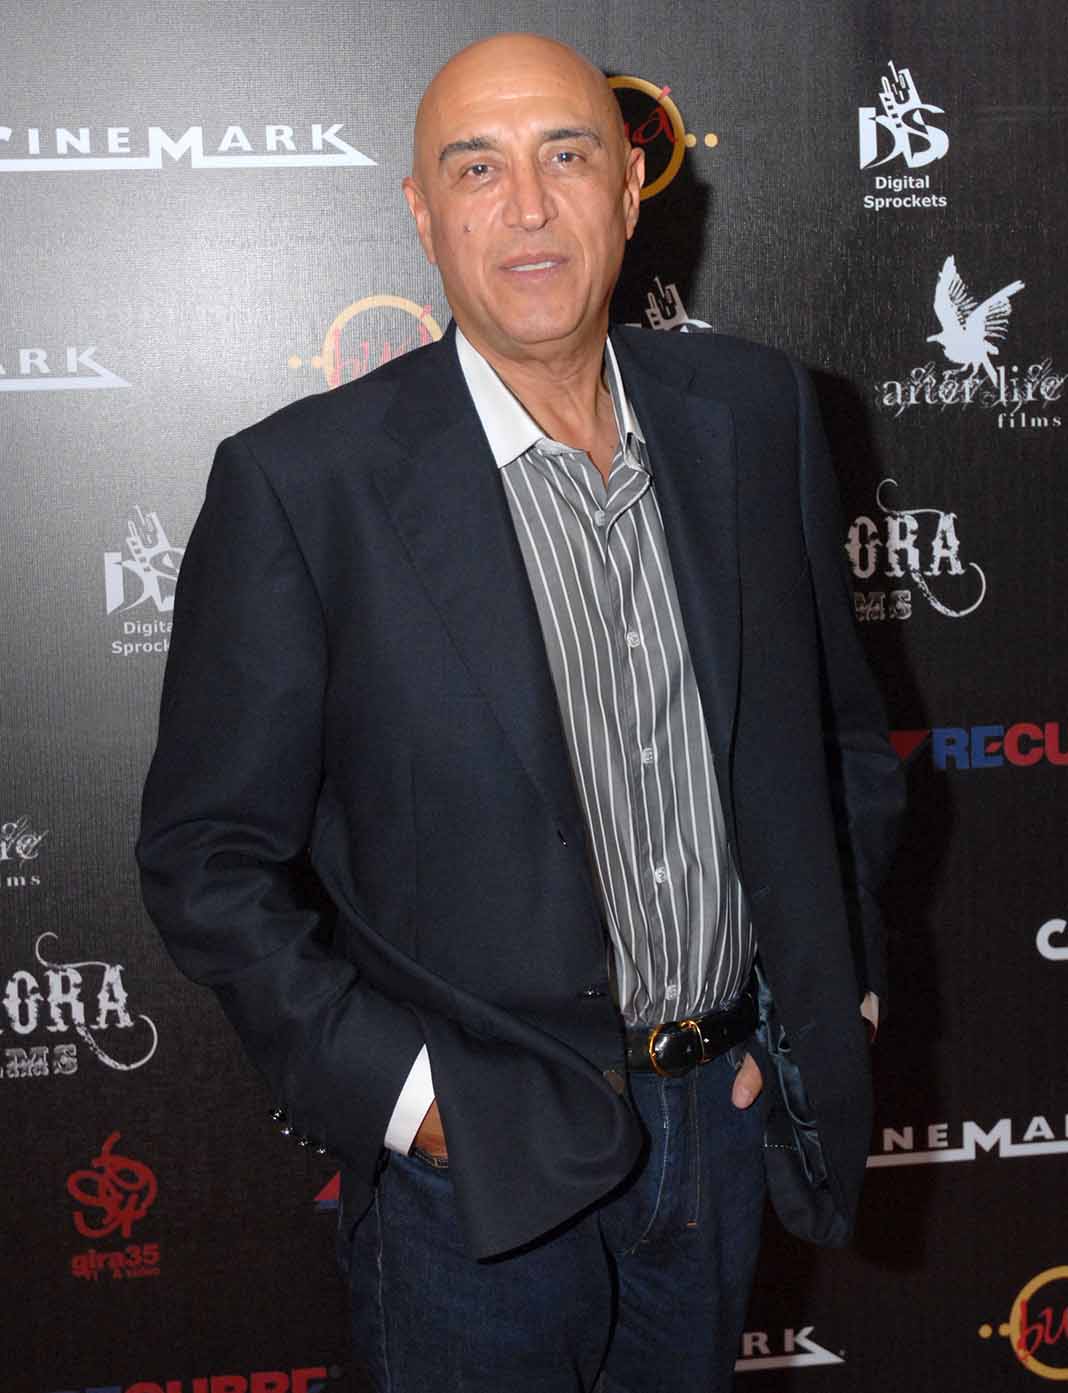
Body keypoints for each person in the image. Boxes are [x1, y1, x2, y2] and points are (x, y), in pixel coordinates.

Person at [137, 32, 904, 1393]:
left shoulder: (758, 414)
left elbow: (840, 742)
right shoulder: (303, 487)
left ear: (631, 188)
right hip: (472, 1192)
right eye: (477, 169)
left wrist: (824, 992)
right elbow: (208, 858)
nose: (530, 207)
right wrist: (412, 1101)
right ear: (423, 214)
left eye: (567, 156)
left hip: (721, 1132)